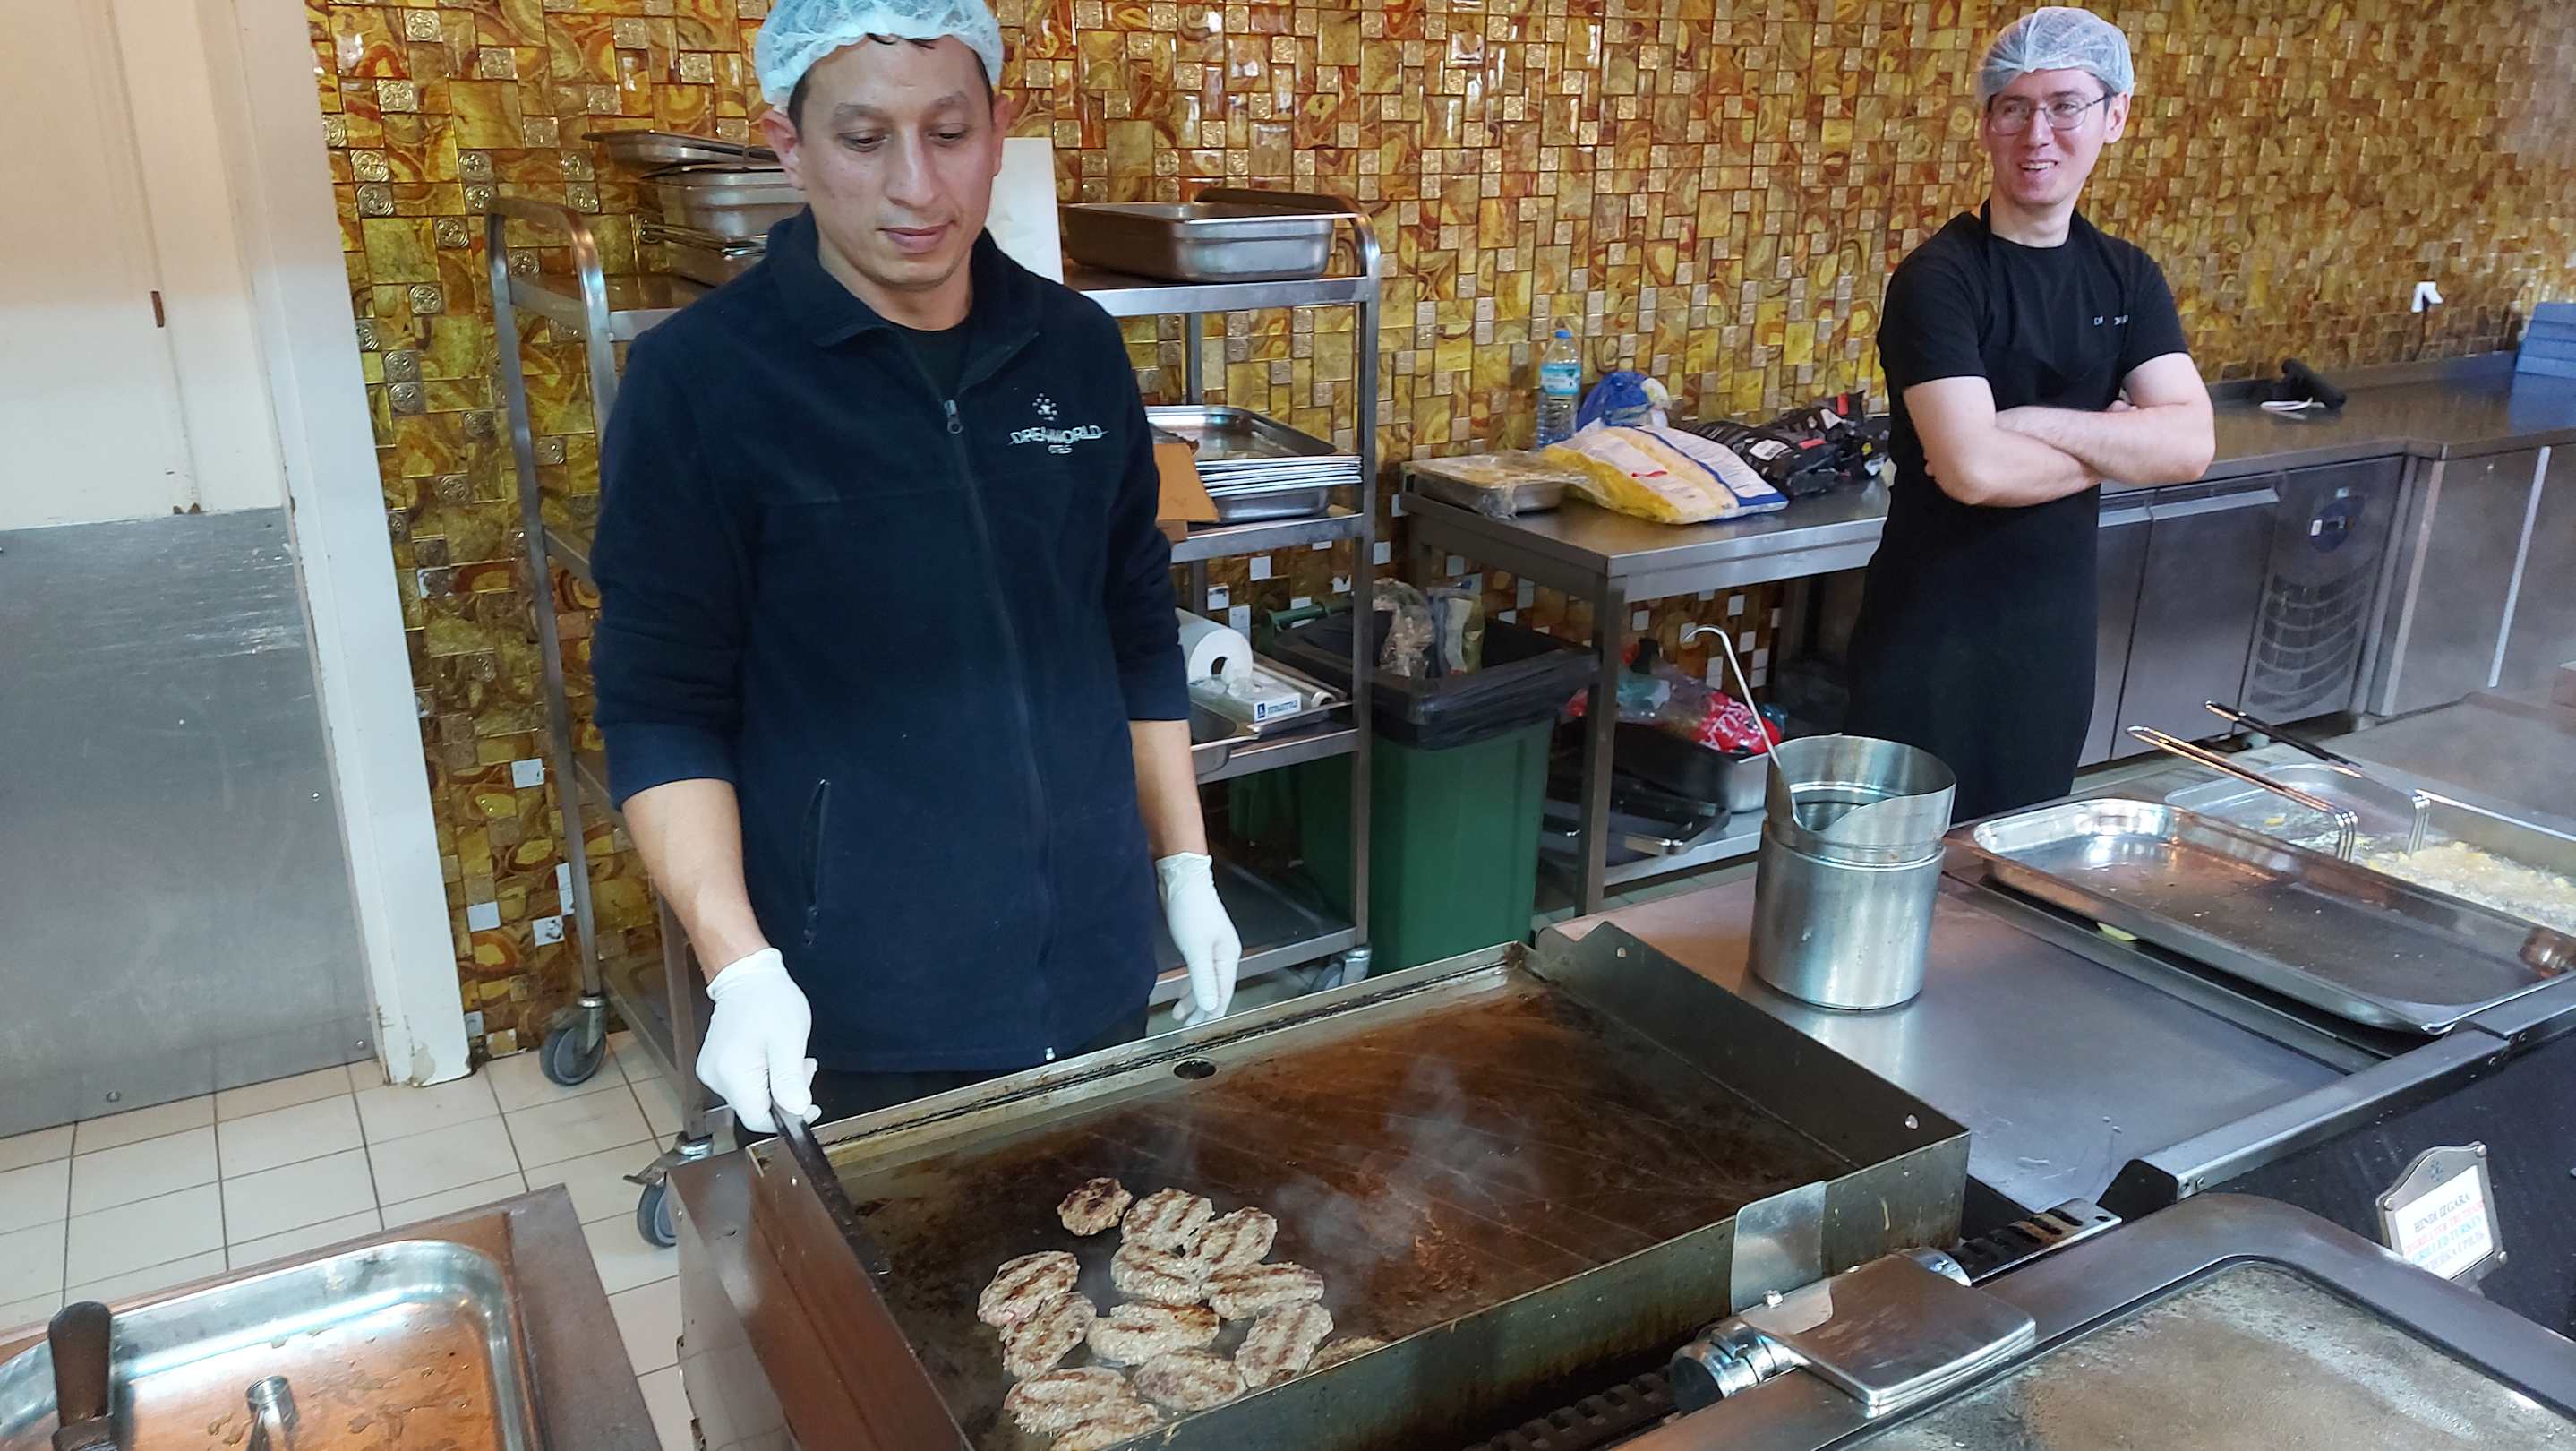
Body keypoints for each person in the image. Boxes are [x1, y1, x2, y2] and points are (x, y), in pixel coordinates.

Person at [586, 0, 1242, 1132]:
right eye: (862, 138)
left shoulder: (1075, 349)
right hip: (860, 1008)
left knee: (1110, 1240)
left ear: (998, 132)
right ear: (789, 147)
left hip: (1097, 964)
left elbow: (1135, 629)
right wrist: (738, 965)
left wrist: (1185, 864)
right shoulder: (701, 384)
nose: (916, 187)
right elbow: (660, 707)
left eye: (948, 134)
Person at [1843, 7, 2214, 820]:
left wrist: (2027, 424)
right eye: (2013, 108)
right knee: (1907, 861)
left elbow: (2188, 446)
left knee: (2018, 862)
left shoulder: (2126, 277)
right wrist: (2119, 437)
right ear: (1985, 124)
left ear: (2114, 116)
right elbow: (1973, 472)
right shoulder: (1941, 278)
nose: (2036, 134)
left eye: (2064, 106)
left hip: (2052, 648)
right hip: (1930, 642)